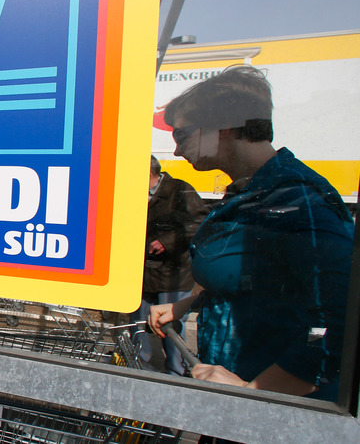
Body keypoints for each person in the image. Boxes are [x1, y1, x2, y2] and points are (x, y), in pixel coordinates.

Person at [148, 65, 353, 401]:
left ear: (224, 128)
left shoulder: (295, 201)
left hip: (278, 413)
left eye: (182, 135)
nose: (178, 151)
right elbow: (260, 280)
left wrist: (256, 390)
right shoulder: (253, 194)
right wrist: (188, 302)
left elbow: (334, 322)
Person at [132, 155, 206, 375]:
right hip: (143, 273)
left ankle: (176, 373)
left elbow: (201, 221)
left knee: (170, 326)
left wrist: (167, 241)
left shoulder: (179, 190)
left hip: (173, 274)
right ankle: (138, 368)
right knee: (139, 325)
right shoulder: (133, 192)